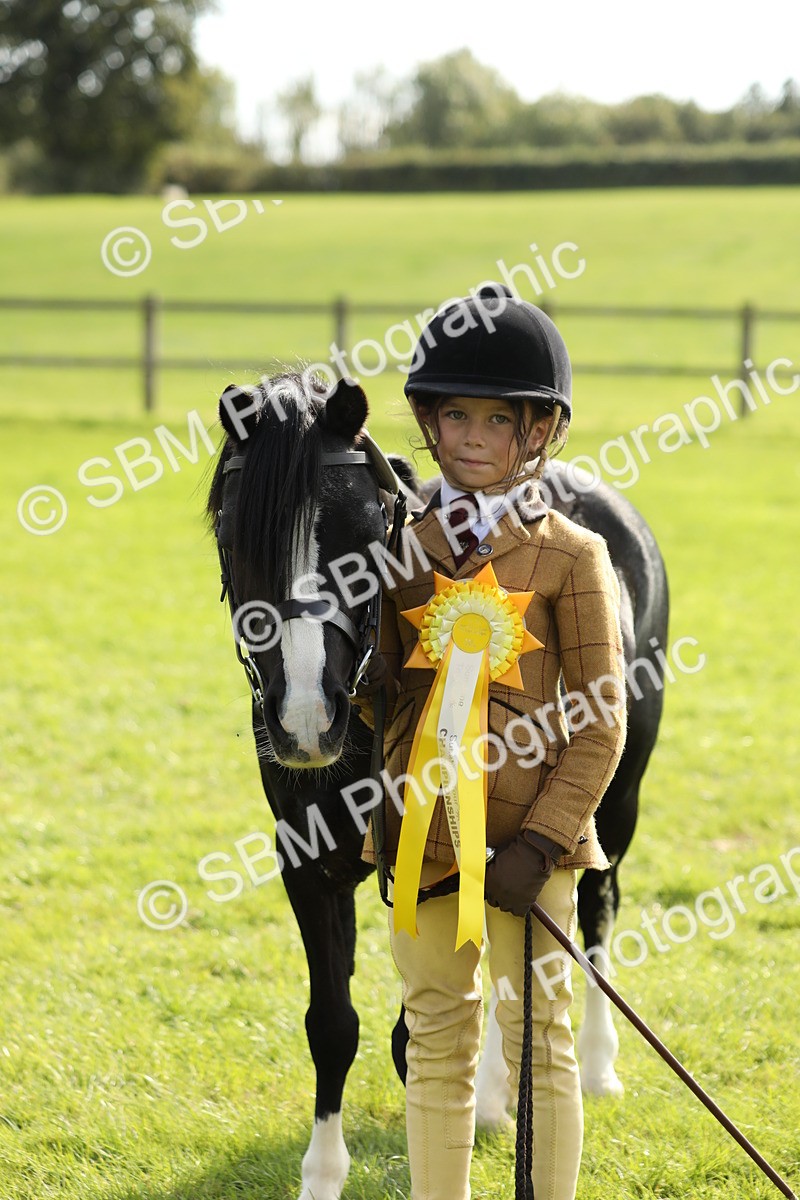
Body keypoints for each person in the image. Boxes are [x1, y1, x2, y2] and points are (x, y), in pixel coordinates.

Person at [359, 283, 627, 1200]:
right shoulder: (397, 553)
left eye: (497, 420)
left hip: (530, 856)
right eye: (456, 416)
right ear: (429, 423)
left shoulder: (573, 555)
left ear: (538, 431)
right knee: (436, 1038)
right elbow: (384, 700)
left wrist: (542, 843)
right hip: (424, 845)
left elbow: (602, 720)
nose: (472, 437)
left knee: (540, 1042)